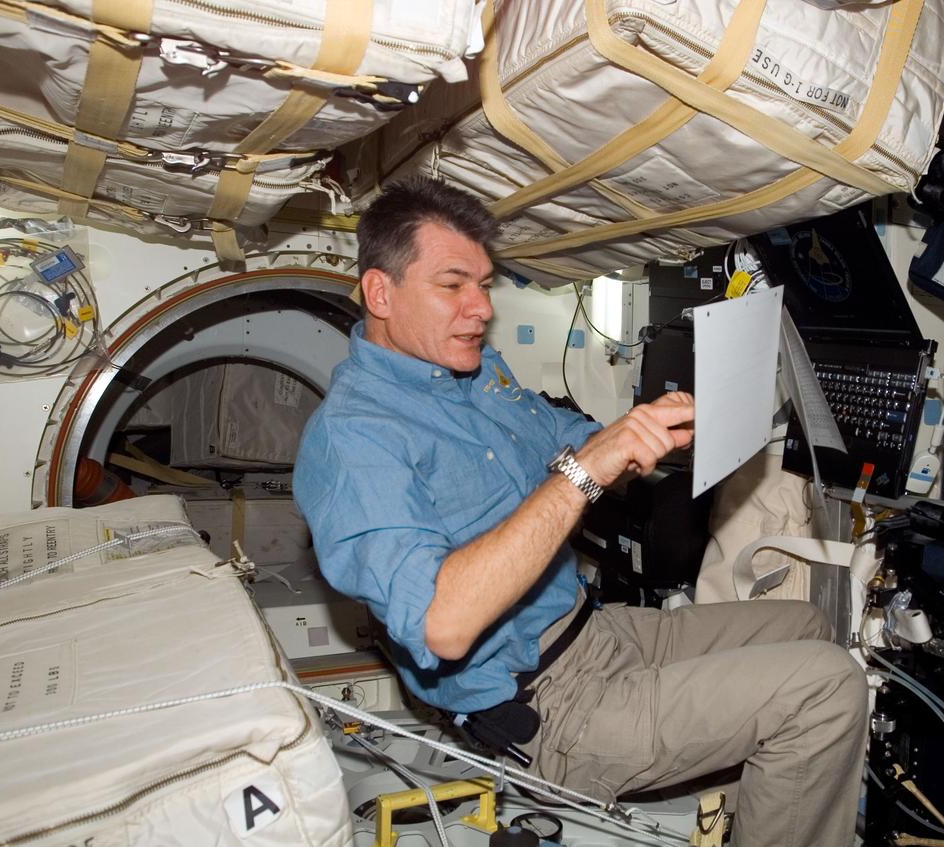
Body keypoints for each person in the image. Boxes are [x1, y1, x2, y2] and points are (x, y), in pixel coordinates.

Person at [294, 176, 868, 847]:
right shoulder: (354, 437)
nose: (480, 307)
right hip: (546, 705)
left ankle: (752, 818)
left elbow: (558, 433)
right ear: (380, 292)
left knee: (805, 623)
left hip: (594, 636)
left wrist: (639, 431)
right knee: (827, 689)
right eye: (453, 285)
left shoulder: (475, 372)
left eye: (484, 283)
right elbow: (440, 626)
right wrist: (591, 466)